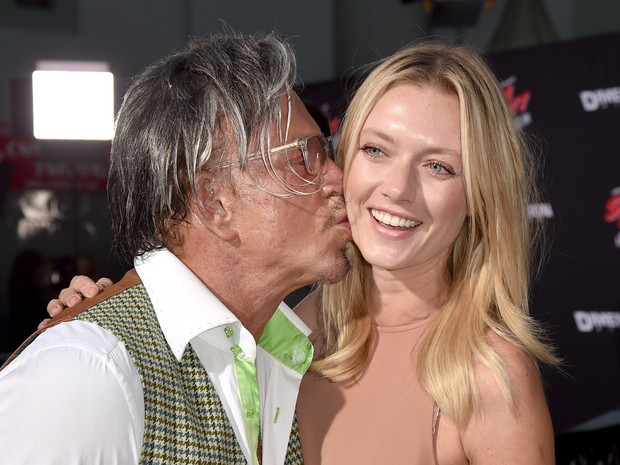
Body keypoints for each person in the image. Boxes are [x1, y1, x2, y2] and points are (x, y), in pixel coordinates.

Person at [44, 42, 558, 464]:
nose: (398, 190)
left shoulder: (491, 376)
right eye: (375, 150)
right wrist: (101, 318)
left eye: (439, 167)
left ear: (479, 198)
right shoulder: (282, 336)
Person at [0, 31, 351, 465]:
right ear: (214, 201)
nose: (337, 178)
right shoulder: (87, 374)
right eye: (304, 156)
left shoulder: (285, 353)